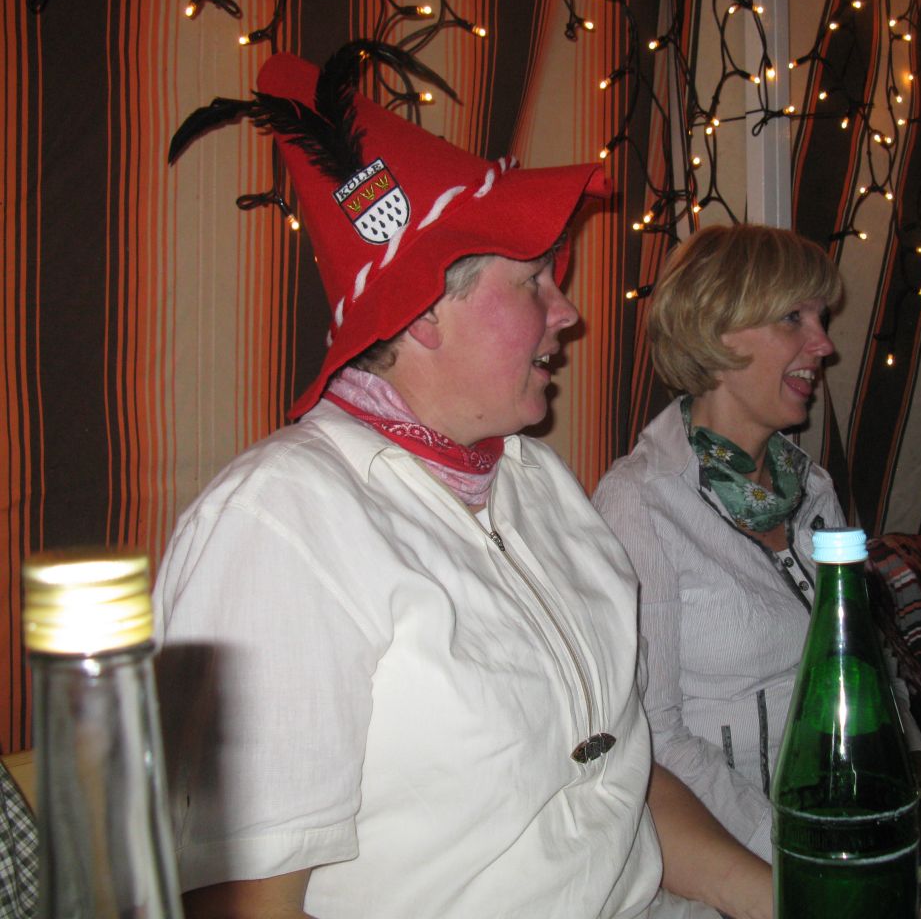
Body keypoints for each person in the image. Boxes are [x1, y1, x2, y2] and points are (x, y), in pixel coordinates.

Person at [154, 45, 771, 918]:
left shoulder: (535, 481)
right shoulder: (279, 526)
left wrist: (791, 900)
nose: (568, 313)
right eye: (533, 282)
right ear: (422, 312)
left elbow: (622, 785)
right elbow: (239, 902)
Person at [592, 224, 921, 861]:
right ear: (716, 330)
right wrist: (793, 850)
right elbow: (653, 737)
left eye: (820, 318)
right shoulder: (642, 503)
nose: (823, 344)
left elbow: (869, 668)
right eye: (793, 318)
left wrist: (911, 794)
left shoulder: (812, 487)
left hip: (860, 823)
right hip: (738, 860)